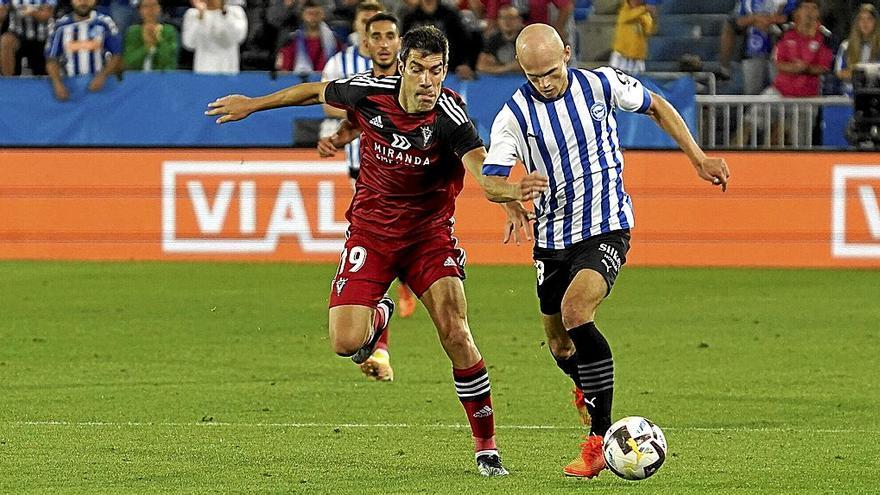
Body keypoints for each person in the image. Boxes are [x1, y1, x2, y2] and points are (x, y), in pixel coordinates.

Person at [206, 25, 548, 476]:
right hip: (371, 234)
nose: (429, 82)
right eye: (420, 70)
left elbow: (481, 168)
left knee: (456, 332)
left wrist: (506, 193)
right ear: (402, 67)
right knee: (346, 343)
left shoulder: (451, 116)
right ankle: (380, 313)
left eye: (438, 71)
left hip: (429, 236)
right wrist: (253, 105)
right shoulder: (368, 92)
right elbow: (312, 92)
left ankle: (486, 449)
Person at [481, 23, 729, 479]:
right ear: (522, 69)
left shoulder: (603, 84)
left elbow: (657, 106)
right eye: (534, 76)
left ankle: (598, 439)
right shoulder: (512, 115)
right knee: (558, 343)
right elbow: (489, 179)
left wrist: (697, 157)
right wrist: (512, 189)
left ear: (568, 55)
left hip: (607, 227)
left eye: (552, 72)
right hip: (552, 238)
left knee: (577, 312)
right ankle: (585, 389)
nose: (545, 83)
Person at [317, 11, 410, 382]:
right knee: (377, 254)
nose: (384, 42)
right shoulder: (350, 73)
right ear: (364, 38)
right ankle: (381, 338)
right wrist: (341, 136)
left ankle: (386, 315)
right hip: (366, 177)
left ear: (398, 40)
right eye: (375, 34)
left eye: (391, 35)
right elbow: (354, 114)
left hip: (412, 187)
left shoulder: (416, 80)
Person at [44, 0, 122, 102]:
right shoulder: (60, 26)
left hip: (100, 90)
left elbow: (117, 54)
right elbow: (51, 59)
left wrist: (103, 76)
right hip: (70, 89)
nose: (84, 2)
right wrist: (57, 84)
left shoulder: (105, 23)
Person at [717, 0, 788, 92]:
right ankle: (725, 69)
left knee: (780, 91)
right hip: (752, 50)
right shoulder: (747, 1)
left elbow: (794, 16)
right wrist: (755, 19)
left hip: (782, 50)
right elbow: (736, 21)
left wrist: (770, 20)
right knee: (753, 94)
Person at [275, 0, 343, 73]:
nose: (313, 17)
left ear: (323, 15)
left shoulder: (334, 40)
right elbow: (284, 71)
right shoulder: (292, 41)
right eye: (310, 14)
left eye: (317, 14)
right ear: (302, 15)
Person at [181, 0, 247, 74]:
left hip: (228, 70)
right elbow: (189, 43)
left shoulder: (235, 12)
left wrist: (224, 13)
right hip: (203, 71)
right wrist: (200, 17)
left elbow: (238, 37)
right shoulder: (192, 14)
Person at [835, 3, 880, 96]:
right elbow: (839, 73)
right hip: (850, 95)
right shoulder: (846, 45)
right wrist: (863, 75)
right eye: (861, 19)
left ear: (876, 22)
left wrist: (860, 75)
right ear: (857, 22)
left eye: (869, 19)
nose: (865, 23)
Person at [0, 0, 55, 75]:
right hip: (17, 35)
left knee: (41, 74)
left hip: (41, 39)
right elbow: (2, 14)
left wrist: (32, 12)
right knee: (6, 40)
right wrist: (3, 10)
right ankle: (8, 81)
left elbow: (47, 16)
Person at [123, 0, 178, 71]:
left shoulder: (168, 31)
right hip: (137, 78)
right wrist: (147, 47)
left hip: (162, 79)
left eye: (154, 5)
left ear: (159, 8)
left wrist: (158, 39)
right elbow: (129, 62)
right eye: (146, 6)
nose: (151, 10)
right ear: (140, 10)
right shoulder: (133, 31)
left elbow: (168, 62)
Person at [608, 0, 655, 74]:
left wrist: (651, 18)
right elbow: (628, 17)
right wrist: (644, 9)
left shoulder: (645, 15)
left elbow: (649, 31)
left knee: (637, 81)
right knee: (616, 80)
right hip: (621, 55)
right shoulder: (624, 10)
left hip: (637, 57)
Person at [476, 4, 522, 74]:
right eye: (503, 18)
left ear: (519, 20)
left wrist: (495, 66)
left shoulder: (526, 38)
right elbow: (480, 66)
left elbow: (530, 66)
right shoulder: (493, 39)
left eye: (511, 18)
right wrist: (508, 67)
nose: (507, 21)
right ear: (498, 21)